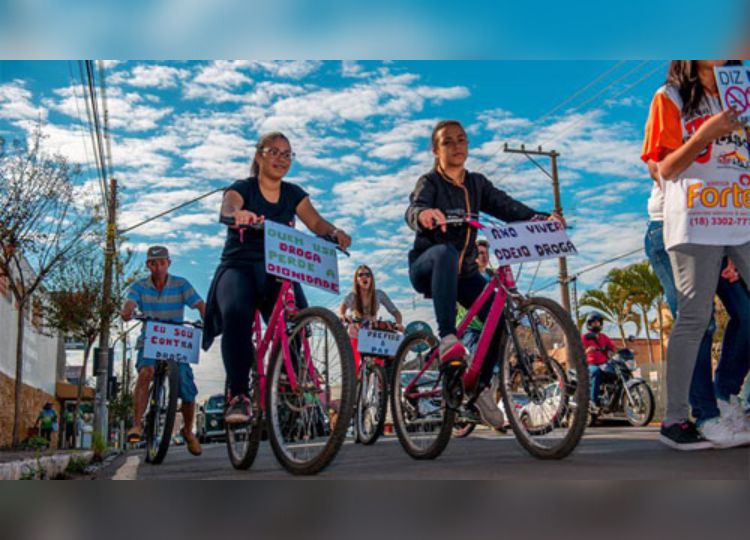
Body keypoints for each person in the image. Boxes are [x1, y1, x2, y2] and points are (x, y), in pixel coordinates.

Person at [405, 119, 563, 428]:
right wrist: (424, 215)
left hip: (463, 274)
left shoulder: (477, 184)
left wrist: (541, 218)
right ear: (435, 150)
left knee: (499, 312)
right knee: (445, 252)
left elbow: (506, 206)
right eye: (448, 141)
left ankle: (478, 388)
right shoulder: (429, 182)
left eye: (461, 140)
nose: (456, 146)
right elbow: (414, 208)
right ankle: (447, 336)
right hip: (429, 266)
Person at [203, 131, 351, 425]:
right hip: (240, 265)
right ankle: (238, 394)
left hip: (278, 269)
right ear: (259, 156)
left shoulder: (294, 193)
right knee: (236, 313)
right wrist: (239, 214)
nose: (281, 159)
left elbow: (316, 222)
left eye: (287, 154)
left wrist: (334, 233)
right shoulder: (243, 187)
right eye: (274, 152)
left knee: (297, 318)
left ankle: (287, 373)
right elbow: (229, 206)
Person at [641, 60, 750, 450]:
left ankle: (724, 397)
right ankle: (682, 418)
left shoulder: (742, 93)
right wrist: (707, 133)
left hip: (740, 216)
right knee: (696, 319)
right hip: (695, 220)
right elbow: (665, 168)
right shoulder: (669, 97)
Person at [122, 245, 206, 456]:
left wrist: (209, 318)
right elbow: (130, 303)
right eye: (153, 263)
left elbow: (199, 305)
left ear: (168, 263)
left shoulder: (181, 284)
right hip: (151, 339)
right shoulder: (139, 286)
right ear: (148, 265)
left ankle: (188, 431)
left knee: (186, 388)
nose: (158, 267)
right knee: (145, 374)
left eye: (162, 262)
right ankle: (137, 425)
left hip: (176, 341)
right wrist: (128, 310)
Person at [339, 265, 403, 370]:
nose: (364, 277)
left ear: (371, 278)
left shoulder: (379, 294)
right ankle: (355, 382)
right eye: (361, 275)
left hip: (374, 331)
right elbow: (343, 307)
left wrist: (398, 323)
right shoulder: (353, 295)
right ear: (357, 279)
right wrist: (343, 315)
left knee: (378, 364)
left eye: (367, 274)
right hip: (357, 331)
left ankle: (378, 382)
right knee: (354, 364)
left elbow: (396, 312)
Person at [581, 312, 616, 414]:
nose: (596, 324)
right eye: (594, 323)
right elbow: (578, 353)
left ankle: (611, 399)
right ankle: (593, 401)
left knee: (616, 372)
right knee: (596, 371)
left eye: (598, 322)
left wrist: (627, 350)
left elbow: (613, 347)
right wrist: (588, 350)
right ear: (589, 324)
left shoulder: (604, 337)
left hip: (604, 364)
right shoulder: (585, 337)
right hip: (590, 365)